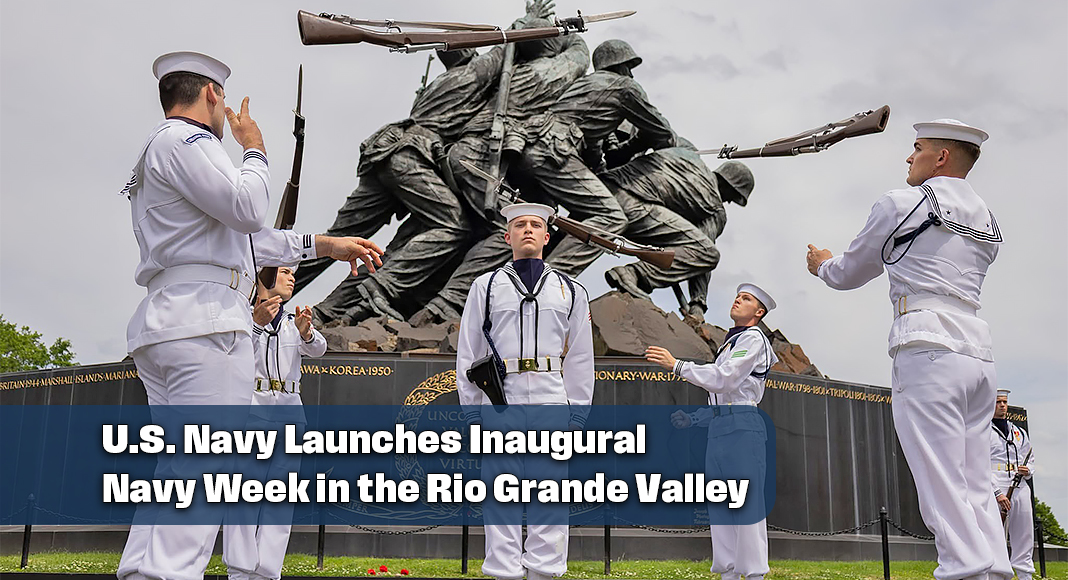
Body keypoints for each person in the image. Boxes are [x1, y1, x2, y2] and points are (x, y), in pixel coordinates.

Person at [118, 51, 382, 580]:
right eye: (223, 101)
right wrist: (255, 148)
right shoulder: (189, 141)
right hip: (205, 322)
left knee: (175, 467)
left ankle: (143, 572)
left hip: (174, 317)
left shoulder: (163, 149)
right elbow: (248, 207)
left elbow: (249, 236)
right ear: (213, 95)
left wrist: (324, 245)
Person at [806, 119, 1010, 580]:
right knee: (975, 477)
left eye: (917, 148)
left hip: (926, 346)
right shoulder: (988, 219)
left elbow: (849, 272)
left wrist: (822, 265)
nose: (908, 157)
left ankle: (963, 568)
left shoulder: (900, 203)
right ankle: (996, 570)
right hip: (977, 353)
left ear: (941, 157)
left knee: (938, 474)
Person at [455, 203, 595, 580]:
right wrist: (471, 411)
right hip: (502, 400)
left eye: (535, 225)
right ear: (508, 236)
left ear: (548, 237)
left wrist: (578, 410)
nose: (528, 230)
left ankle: (544, 572)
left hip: (551, 395)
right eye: (520, 225)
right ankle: (503, 572)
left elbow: (581, 354)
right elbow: (469, 352)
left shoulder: (571, 289)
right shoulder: (485, 287)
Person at [645, 284, 778, 580]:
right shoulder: (731, 343)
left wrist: (677, 365)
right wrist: (694, 419)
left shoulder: (753, 338)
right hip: (721, 428)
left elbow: (725, 380)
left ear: (758, 313)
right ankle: (729, 573)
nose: (737, 300)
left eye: (745, 299)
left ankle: (754, 574)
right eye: (737, 295)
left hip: (742, 430)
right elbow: (723, 400)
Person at [513, 39, 675, 279]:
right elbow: (662, 132)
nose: (630, 73)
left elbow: (591, 145)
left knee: (538, 221)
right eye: (628, 66)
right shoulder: (625, 87)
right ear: (619, 66)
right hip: (552, 152)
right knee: (611, 217)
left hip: (528, 148)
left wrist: (600, 166)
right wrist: (635, 146)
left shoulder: (585, 85)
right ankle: (546, 282)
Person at [990, 389, 1036, 580]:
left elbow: (1030, 458)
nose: (1002, 405)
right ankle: (997, 574)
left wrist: (1028, 470)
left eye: (1004, 402)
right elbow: (978, 465)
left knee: (1024, 533)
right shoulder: (982, 431)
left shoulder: (1019, 432)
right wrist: (997, 492)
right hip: (996, 482)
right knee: (995, 533)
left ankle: (1025, 574)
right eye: (998, 402)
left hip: (1019, 485)